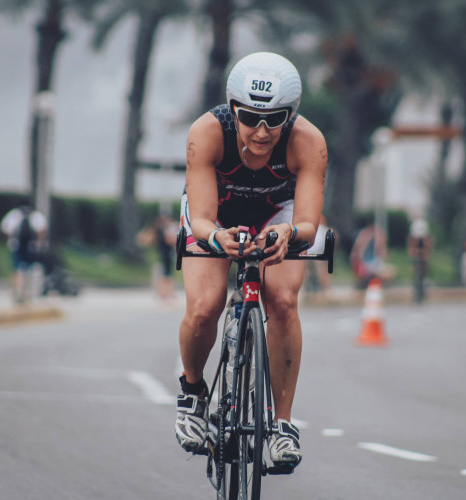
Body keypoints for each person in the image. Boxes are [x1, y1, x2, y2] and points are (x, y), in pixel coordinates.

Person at [175, 52, 327, 468]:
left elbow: (309, 223)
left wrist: (289, 234)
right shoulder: (207, 132)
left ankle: (281, 426)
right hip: (216, 214)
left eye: (274, 119)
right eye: (250, 118)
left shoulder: (308, 141)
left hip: (278, 215)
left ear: (290, 116)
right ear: (232, 108)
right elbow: (202, 218)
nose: (261, 131)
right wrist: (216, 237)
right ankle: (192, 394)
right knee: (205, 305)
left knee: (282, 300)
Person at [0, 204, 48, 304]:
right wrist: (39, 242)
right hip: (31, 247)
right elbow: (42, 229)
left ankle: (16, 293)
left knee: (15, 269)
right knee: (29, 270)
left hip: (16, 245)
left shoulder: (13, 215)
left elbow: (5, 228)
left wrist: (10, 240)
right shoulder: (36, 216)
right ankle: (26, 293)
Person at [137, 213, 178, 301]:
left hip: (162, 255)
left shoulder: (157, 231)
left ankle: (164, 292)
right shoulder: (163, 232)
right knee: (166, 275)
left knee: (163, 274)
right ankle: (165, 292)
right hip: (165, 255)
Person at [350, 222, 395, 289]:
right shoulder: (367, 239)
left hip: (370, 264)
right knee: (387, 272)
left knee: (390, 271)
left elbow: (383, 254)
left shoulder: (371, 243)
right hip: (368, 265)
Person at [407, 219, 432, 303]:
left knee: (423, 275)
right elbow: (411, 249)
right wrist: (415, 253)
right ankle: (417, 293)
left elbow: (428, 248)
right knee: (416, 276)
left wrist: (424, 254)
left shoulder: (426, 238)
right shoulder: (412, 238)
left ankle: (423, 292)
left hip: (423, 259)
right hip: (416, 258)